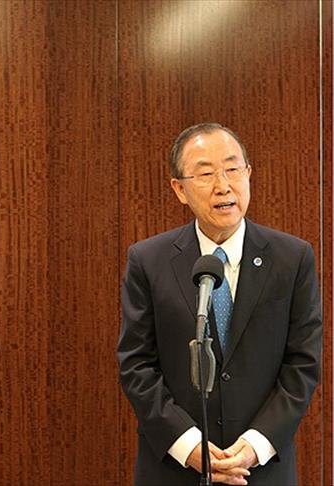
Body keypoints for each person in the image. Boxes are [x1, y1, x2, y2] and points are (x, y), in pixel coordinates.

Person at [117, 123, 321, 485]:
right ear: (179, 189)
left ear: (248, 174)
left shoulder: (292, 258)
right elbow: (137, 365)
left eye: (232, 168)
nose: (223, 185)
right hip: (174, 470)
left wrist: (255, 445)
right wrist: (189, 445)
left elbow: (302, 363)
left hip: (261, 469)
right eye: (205, 173)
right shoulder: (148, 261)